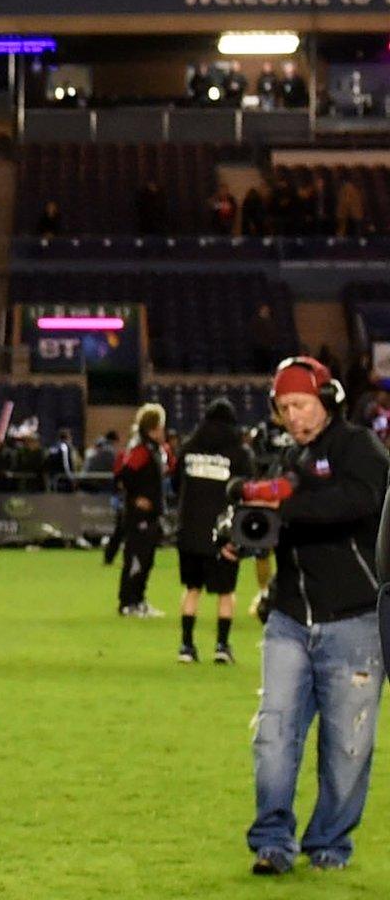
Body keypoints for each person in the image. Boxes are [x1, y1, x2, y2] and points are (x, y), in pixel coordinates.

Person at [225, 356, 389, 874]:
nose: (293, 416)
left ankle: (329, 846)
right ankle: (272, 842)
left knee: (347, 747)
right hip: (291, 618)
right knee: (273, 736)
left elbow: (359, 503)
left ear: (327, 397)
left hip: (355, 620)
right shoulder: (288, 459)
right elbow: (277, 522)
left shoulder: (360, 448)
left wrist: (282, 502)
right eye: (284, 407)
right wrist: (245, 536)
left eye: (301, 403)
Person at [173, 399, 254, 663]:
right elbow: (248, 492)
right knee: (226, 592)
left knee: (192, 588)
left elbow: (175, 484)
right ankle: (221, 645)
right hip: (224, 533)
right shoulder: (239, 454)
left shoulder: (188, 448)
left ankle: (186, 646)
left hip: (190, 531)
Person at [113, 404, 169, 616]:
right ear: (153, 427)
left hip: (151, 514)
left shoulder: (153, 449)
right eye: (161, 426)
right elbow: (123, 476)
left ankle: (139, 600)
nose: (163, 431)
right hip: (139, 517)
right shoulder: (141, 450)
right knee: (136, 559)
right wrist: (136, 498)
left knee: (146, 560)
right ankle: (128, 603)